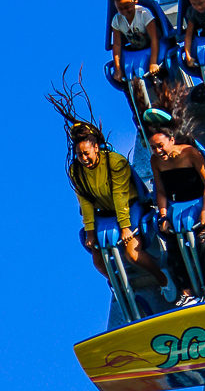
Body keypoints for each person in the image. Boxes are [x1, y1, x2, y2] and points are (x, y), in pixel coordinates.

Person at [46, 73, 177, 302]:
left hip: (129, 206)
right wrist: (90, 232)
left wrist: (125, 228)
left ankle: (163, 279)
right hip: (104, 212)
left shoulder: (114, 162)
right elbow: (85, 201)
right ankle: (119, 285)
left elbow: (120, 195)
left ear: (96, 148)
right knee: (98, 259)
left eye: (87, 153)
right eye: (80, 155)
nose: (84, 158)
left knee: (132, 252)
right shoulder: (76, 171)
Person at [144, 82, 205, 305]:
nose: (158, 151)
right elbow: (161, 191)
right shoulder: (156, 161)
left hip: (200, 203)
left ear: (171, 140)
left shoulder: (190, 153)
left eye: (161, 145)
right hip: (177, 208)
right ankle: (186, 292)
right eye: (154, 148)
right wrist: (163, 216)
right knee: (173, 246)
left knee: (203, 242)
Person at [111, 0, 160, 83]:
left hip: (153, 47)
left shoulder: (144, 14)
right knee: (130, 72)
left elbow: (154, 38)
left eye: (127, 7)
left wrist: (153, 63)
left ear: (135, 0)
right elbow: (117, 45)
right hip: (136, 50)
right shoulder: (117, 20)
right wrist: (117, 69)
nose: (124, 11)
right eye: (120, 8)